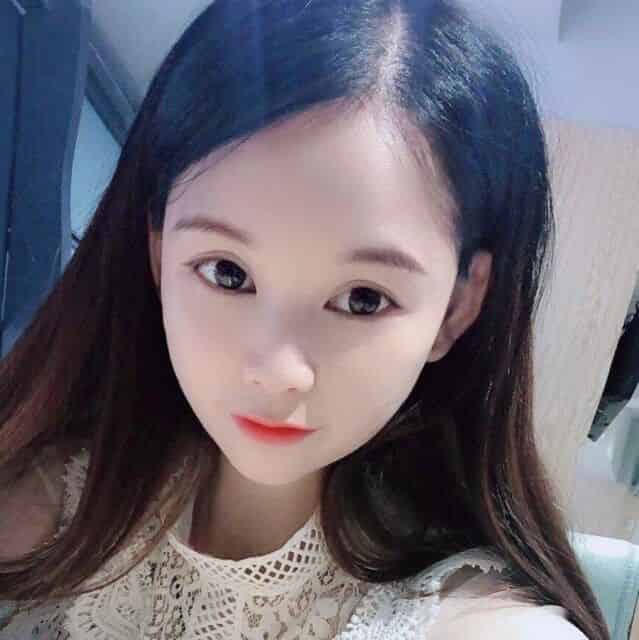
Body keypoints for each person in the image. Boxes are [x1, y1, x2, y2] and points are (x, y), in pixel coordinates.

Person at [0, 0, 609, 638]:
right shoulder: (55, 497)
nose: (278, 370)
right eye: (226, 272)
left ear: (457, 308)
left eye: (364, 298)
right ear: (158, 252)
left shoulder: (477, 624)